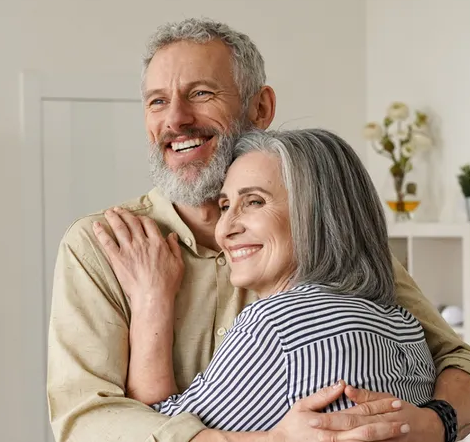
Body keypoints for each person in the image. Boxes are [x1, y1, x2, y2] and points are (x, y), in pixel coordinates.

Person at [46, 17, 470, 442]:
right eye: (157, 101)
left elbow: (465, 365)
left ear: (260, 106)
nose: (175, 119)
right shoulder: (99, 247)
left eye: (201, 93)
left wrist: (433, 423)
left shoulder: (326, 243)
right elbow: (85, 422)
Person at [101, 127, 439, 434]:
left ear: (317, 215)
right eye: (225, 205)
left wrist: (151, 299)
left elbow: (160, 430)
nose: (226, 228)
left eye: (254, 202)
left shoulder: (277, 325)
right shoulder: (404, 325)